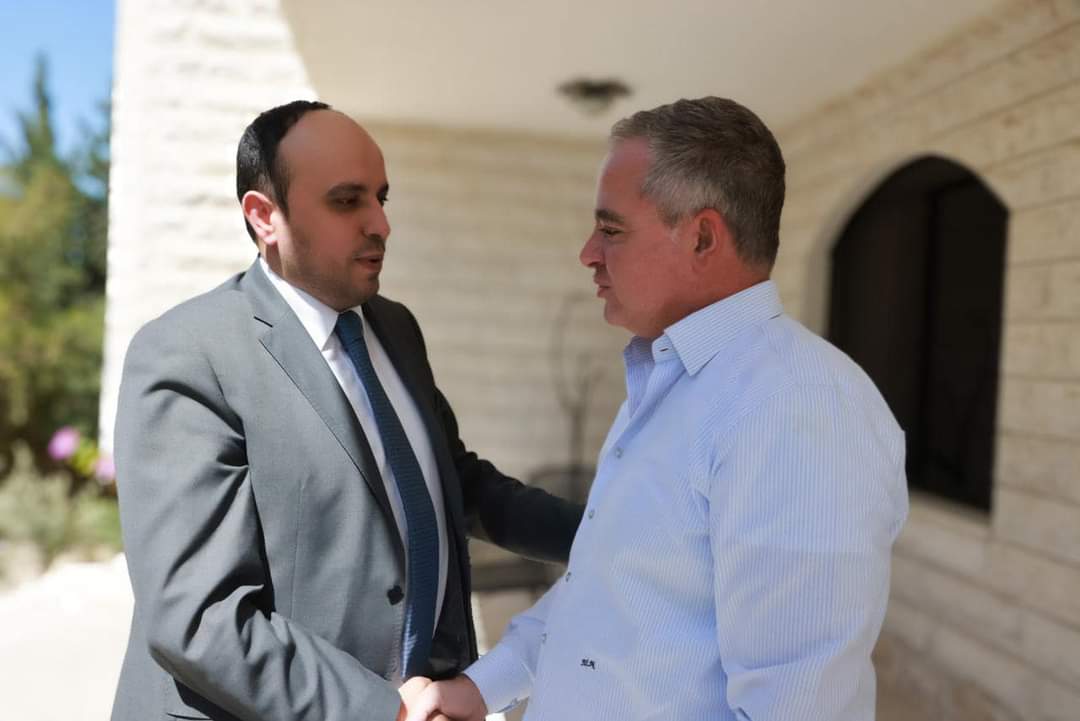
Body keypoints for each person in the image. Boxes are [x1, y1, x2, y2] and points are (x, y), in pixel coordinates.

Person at [406, 96, 910, 721]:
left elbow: (796, 707)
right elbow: (608, 584)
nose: (588, 253)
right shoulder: (671, 381)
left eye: (612, 230)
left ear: (702, 236)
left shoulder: (797, 409)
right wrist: (481, 688)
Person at [109, 100, 582, 721]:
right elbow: (200, 618)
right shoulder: (189, 354)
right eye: (346, 201)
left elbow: (455, 484)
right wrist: (386, 712)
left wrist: (602, 532)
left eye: (381, 198)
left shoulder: (395, 328)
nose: (379, 223)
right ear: (264, 216)